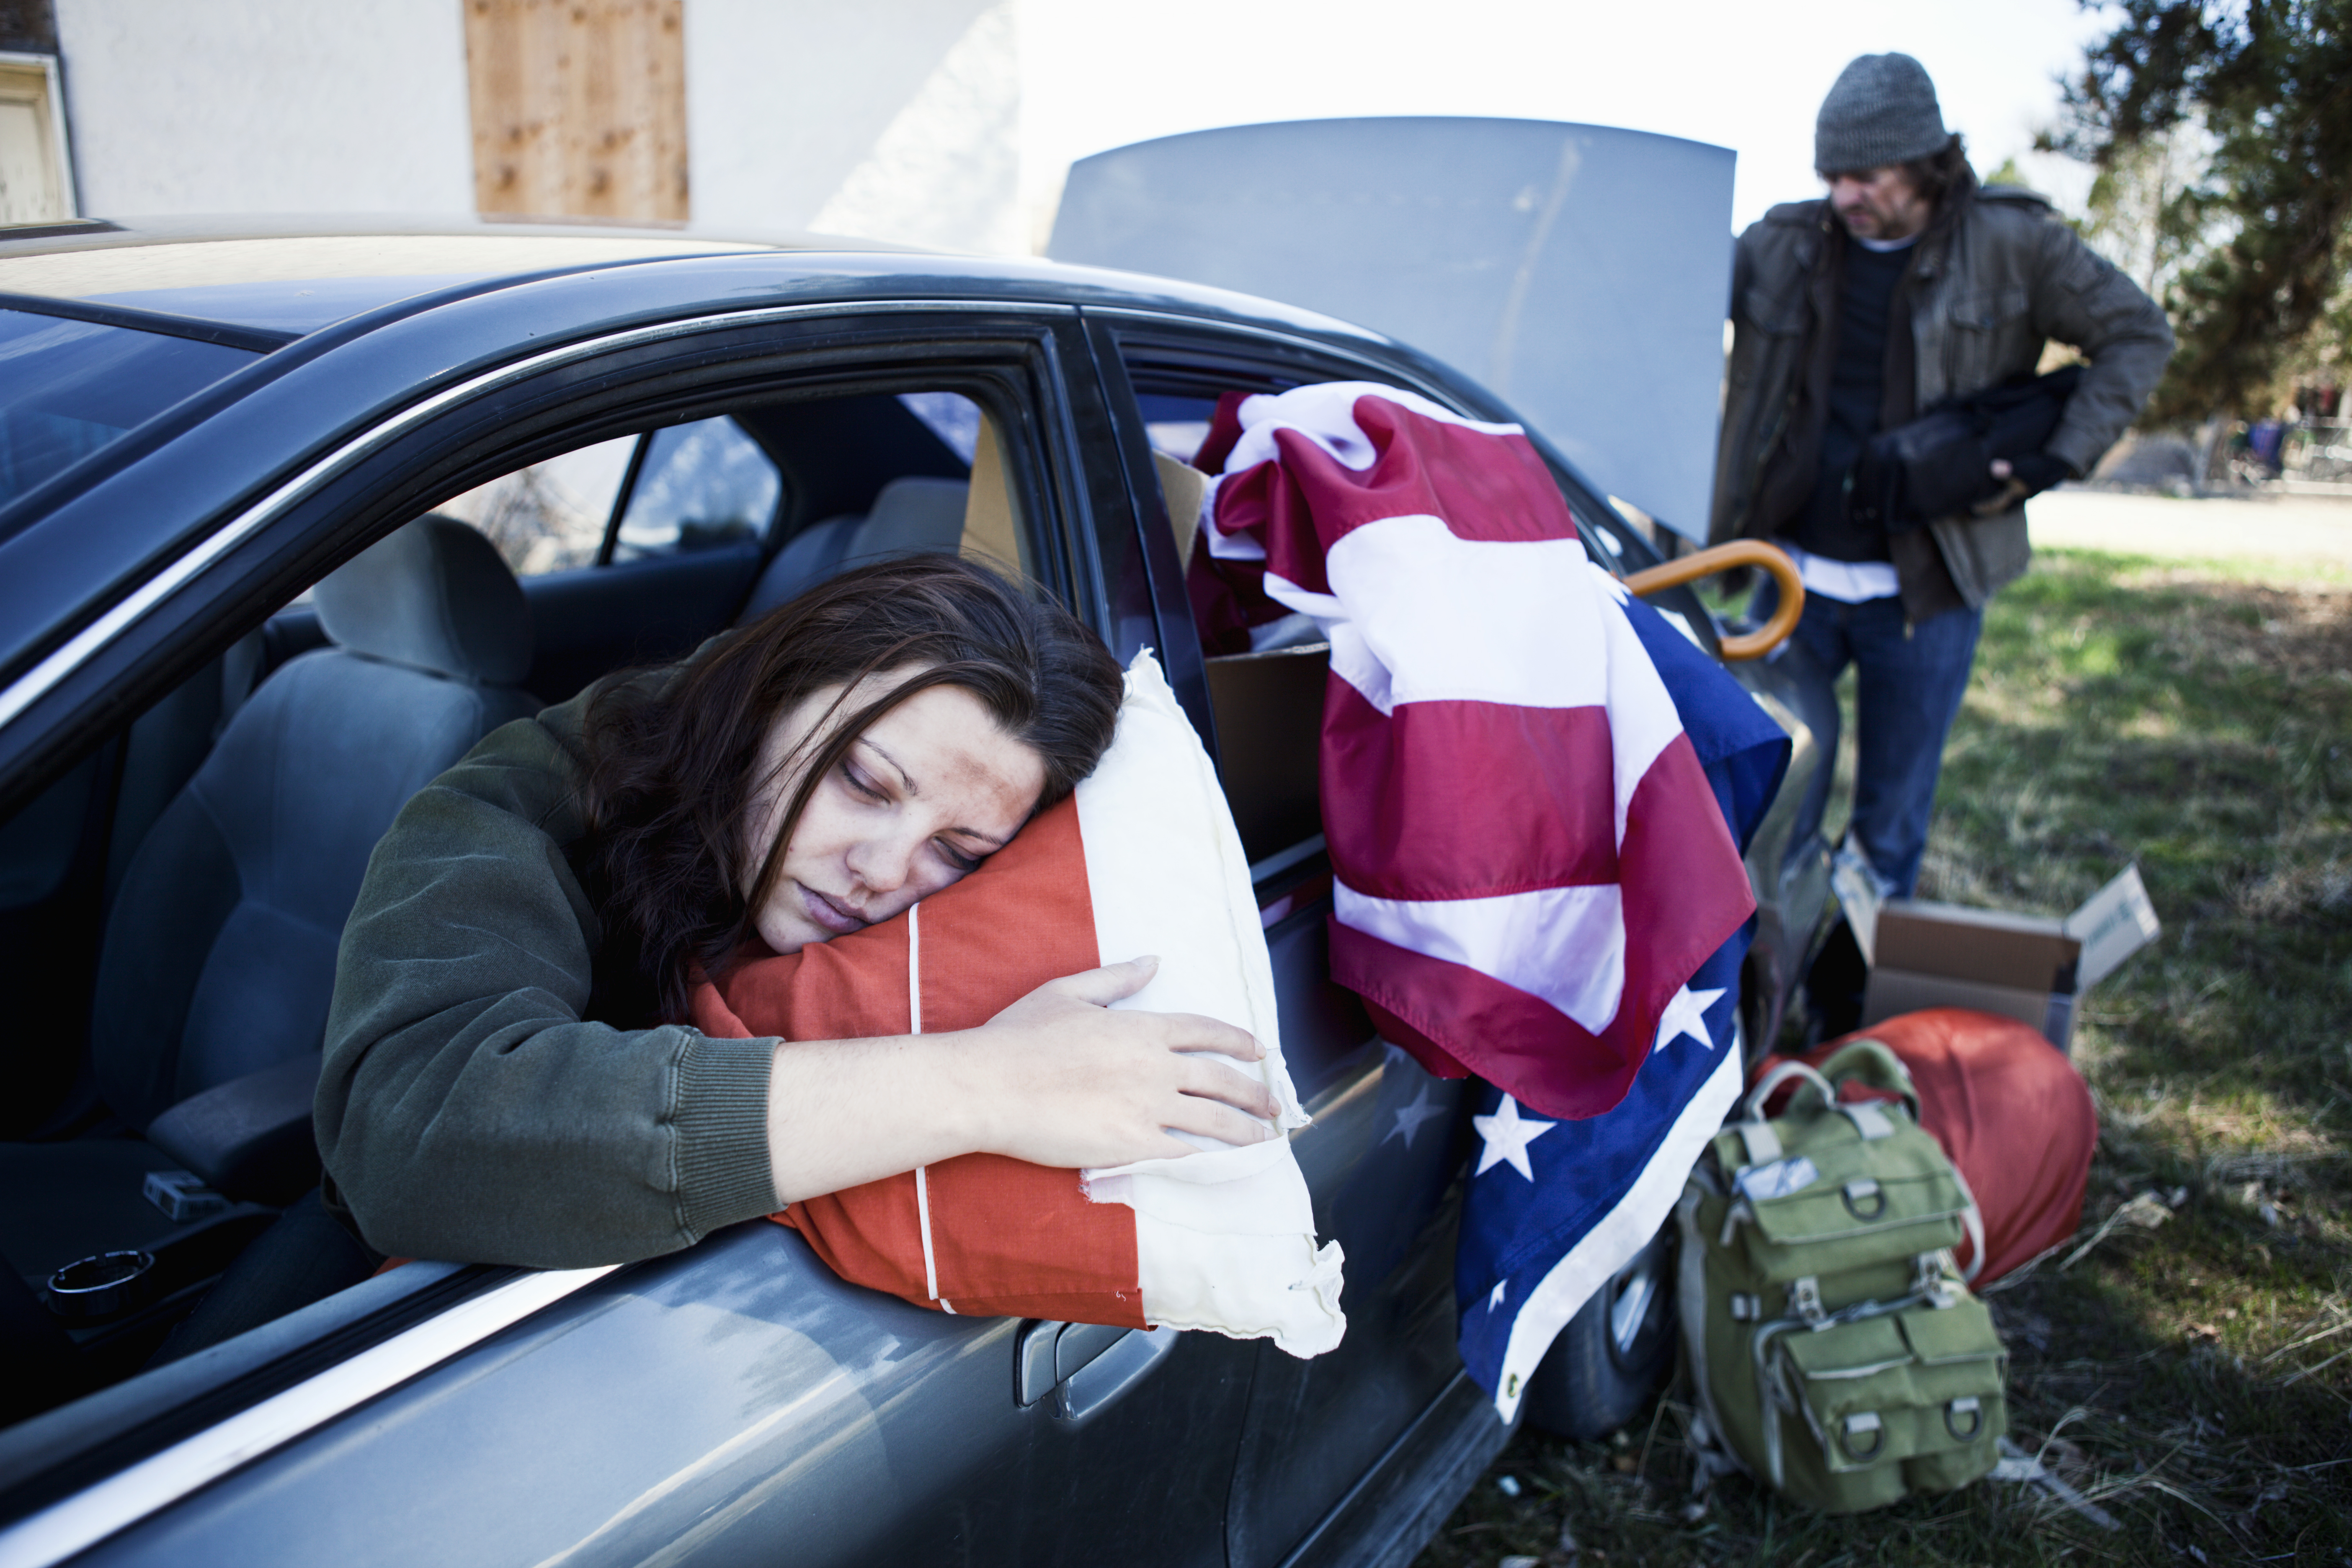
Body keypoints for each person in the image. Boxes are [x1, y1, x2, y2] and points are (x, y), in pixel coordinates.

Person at [312, 554, 1279, 1271]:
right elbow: (414, 1129)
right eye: (863, 781)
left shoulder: (939, 901)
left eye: (958, 852)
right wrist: (990, 1086)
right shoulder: (526, 803)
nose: (880, 869)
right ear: (768, 697)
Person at [1711, 54, 2172, 927]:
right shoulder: (1783, 244)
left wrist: (2056, 460)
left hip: (1926, 594)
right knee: (1769, 798)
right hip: (1788, 579)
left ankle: (1852, 1019)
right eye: (1832, 174)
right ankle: (1765, 996)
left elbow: (2137, 334)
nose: (1847, 194)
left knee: (1890, 824)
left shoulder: (2014, 244)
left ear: (1926, 163)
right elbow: (1663, 302)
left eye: (1867, 175)